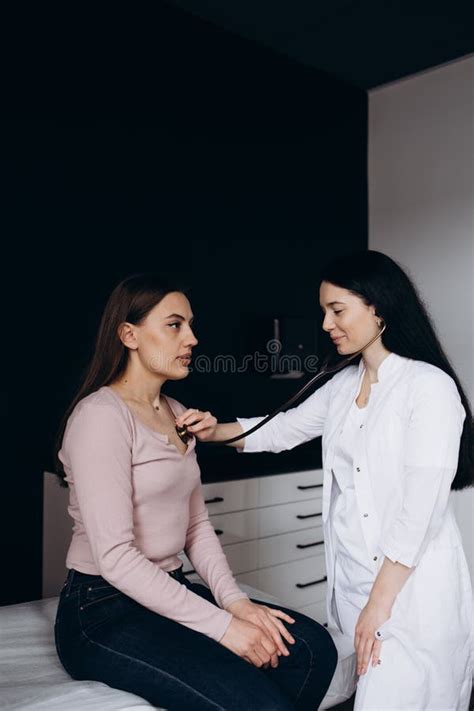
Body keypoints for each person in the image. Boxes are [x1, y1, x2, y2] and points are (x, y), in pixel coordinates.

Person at [179, 250, 474, 710]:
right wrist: (213, 430)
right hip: (354, 589)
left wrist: (378, 607)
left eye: (337, 310)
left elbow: (420, 511)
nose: (326, 324)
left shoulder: (427, 387)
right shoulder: (342, 385)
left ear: (377, 307)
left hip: (408, 598)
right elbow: (280, 430)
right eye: (324, 312)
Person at [53, 273, 338, 711]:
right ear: (129, 335)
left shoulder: (178, 414)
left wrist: (235, 603)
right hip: (103, 610)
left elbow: (197, 527)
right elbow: (114, 558)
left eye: (190, 324)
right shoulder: (100, 418)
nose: (192, 338)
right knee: (258, 701)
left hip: (168, 588)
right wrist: (224, 629)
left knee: (313, 649)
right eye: (174, 325)